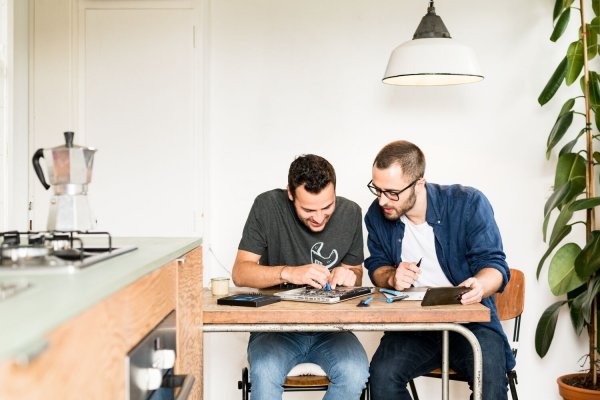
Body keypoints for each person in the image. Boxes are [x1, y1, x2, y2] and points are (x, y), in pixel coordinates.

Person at [364, 140, 515, 400]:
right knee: (382, 376)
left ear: (419, 183)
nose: (382, 200)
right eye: (377, 190)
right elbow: (377, 267)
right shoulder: (377, 216)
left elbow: (495, 267)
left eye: (391, 192)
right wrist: (391, 276)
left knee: (489, 381)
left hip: (471, 323)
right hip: (413, 327)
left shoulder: (467, 203)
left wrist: (480, 285)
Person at [232, 154, 369, 400]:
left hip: (333, 330)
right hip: (274, 329)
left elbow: (357, 274)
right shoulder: (267, 205)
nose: (318, 217)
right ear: (291, 195)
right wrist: (289, 272)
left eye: (327, 207)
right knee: (264, 372)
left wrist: (349, 274)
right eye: (307, 209)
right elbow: (240, 272)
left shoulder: (351, 212)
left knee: (355, 372)